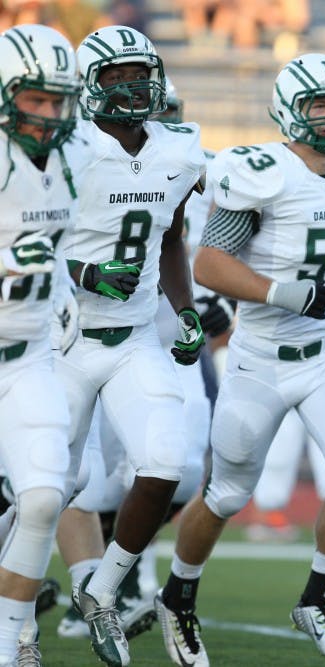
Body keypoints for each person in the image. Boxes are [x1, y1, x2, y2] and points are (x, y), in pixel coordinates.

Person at [153, 53, 325, 667]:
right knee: (228, 494)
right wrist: (285, 293)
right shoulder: (259, 171)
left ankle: (318, 597)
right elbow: (209, 265)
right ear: (288, 112)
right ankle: (177, 595)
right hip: (260, 355)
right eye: (320, 105)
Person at [54, 24, 206, 667]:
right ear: (90, 83)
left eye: (138, 73)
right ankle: (19, 625)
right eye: (114, 75)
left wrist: (187, 306)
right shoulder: (65, 148)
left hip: (135, 336)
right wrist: (85, 275)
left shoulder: (180, 148)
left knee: (167, 464)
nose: (130, 85)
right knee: (41, 489)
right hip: (57, 339)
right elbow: (24, 239)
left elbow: (170, 235)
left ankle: (103, 593)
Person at [0, 23, 81, 667]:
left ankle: (8, 647)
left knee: (46, 495)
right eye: (36, 99)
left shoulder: (73, 157)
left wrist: (62, 287)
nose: (51, 114)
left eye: (59, 100)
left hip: (30, 356)